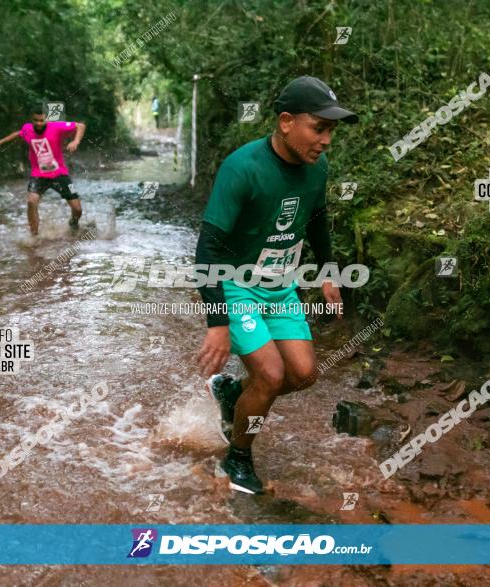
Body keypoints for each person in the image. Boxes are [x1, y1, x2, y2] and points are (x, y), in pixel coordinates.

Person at [195, 76, 358, 495]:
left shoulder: (316, 167)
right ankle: (237, 458)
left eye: (331, 131)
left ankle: (233, 394)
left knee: (303, 374)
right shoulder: (242, 168)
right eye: (318, 128)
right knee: (270, 374)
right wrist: (218, 322)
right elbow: (208, 247)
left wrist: (328, 273)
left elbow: (318, 219)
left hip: (281, 288)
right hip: (235, 286)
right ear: (286, 121)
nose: (326, 141)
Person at [0, 106, 86, 235]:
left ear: (47, 119)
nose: (39, 124)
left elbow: (80, 126)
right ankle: (34, 235)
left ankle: (73, 223)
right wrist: (0, 143)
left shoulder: (56, 127)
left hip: (59, 174)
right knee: (31, 201)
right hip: (38, 175)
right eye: (36, 120)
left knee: (77, 209)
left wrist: (76, 141)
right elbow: (18, 133)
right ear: (32, 119)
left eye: (42, 120)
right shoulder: (27, 129)